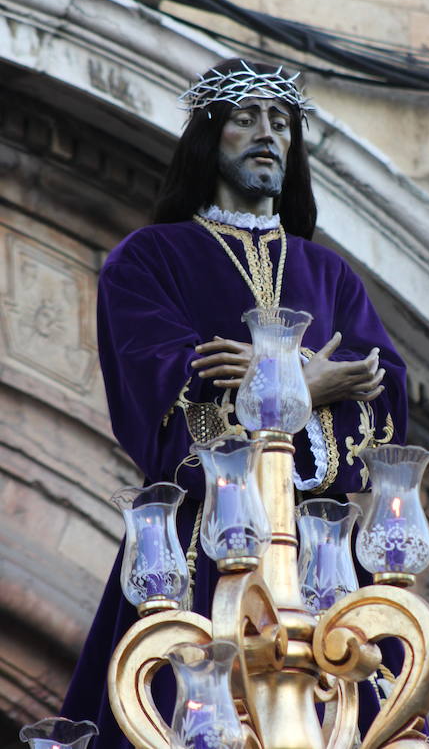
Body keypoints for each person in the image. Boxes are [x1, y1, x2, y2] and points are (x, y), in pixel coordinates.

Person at [61, 58, 409, 745]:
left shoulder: (329, 274)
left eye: (280, 123)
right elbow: (162, 386)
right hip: (203, 550)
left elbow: (383, 388)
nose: (266, 135)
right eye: (245, 119)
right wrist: (304, 385)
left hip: (322, 560)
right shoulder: (149, 260)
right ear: (209, 138)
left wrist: (273, 382)